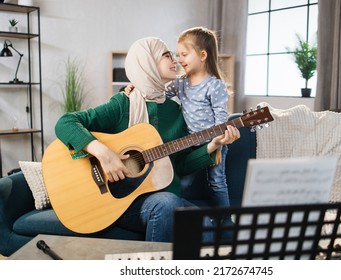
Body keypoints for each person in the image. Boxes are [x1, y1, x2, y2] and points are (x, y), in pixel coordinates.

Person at [54, 37, 240, 242]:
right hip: (122, 202)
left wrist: (214, 145)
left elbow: (180, 164)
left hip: (165, 197)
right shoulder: (123, 103)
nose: (175, 60)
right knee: (167, 204)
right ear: (147, 62)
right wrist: (102, 152)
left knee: (207, 230)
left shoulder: (174, 111)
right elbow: (66, 122)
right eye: (166, 55)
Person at [165, 27, 231, 214]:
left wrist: (217, 146)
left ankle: (225, 219)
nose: (179, 59)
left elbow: (221, 119)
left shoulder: (214, 85)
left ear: (202, 55)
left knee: (217, 181)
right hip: (190, 143)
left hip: (214, 141)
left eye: (184, 54)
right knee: (182, 181)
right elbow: (159, 94)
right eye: (178, 55)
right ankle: (176, 212)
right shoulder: (180, 83)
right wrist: (133, 89)